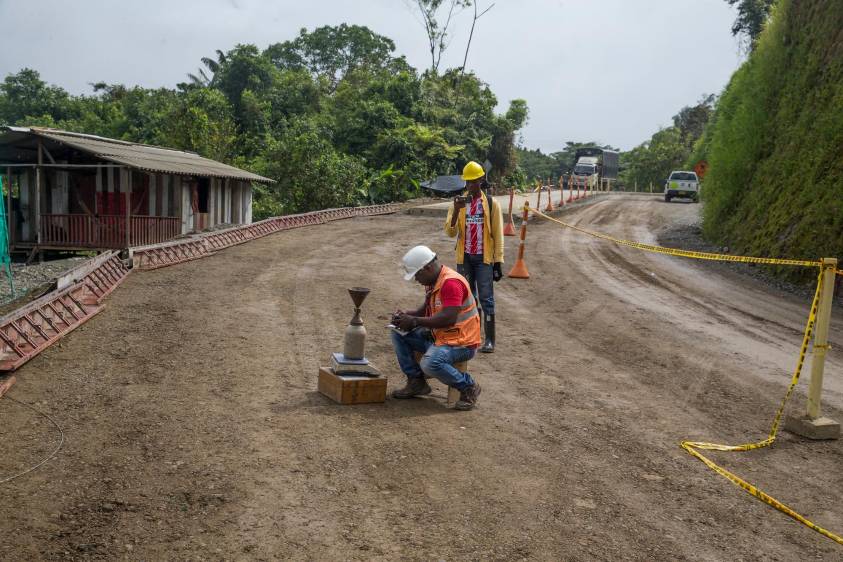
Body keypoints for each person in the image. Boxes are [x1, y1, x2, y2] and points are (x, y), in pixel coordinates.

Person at [390, 245, 482, 411]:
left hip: (461, 343)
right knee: (398, 333)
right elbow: (425, 310)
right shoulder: (434, 281)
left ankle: (468, 387)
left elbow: (448, 318)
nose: (416, 279)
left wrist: (415, 321)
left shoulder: (451, 284)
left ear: (428, 267)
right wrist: (406, 316)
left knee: (431, 363)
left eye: (417, 274)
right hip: (441, 336)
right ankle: (416, 382)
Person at [444, 161, 504, 353]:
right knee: (468, 299)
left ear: (481, 180)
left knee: (487, 298)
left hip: (483, 258)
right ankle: (472, 336)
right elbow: (450, 232)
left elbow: (498, 234)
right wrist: (455, 210)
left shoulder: (491, 204)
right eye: (467, 182)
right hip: (465, 258)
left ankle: (490, 341)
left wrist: (498, 262)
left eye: (474, 181)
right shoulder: (459, 204)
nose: (470, 186)